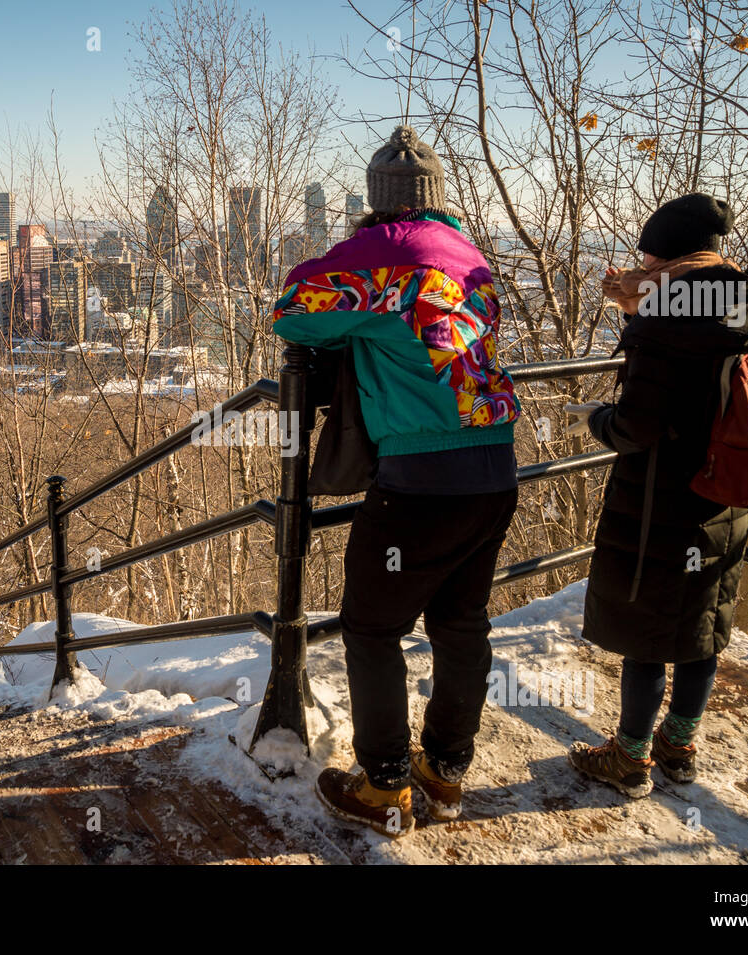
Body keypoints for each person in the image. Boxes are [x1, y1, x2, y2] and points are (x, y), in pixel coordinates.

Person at [271, 125, 522, 837]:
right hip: (493, 468)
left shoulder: (383, 252)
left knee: (373, 626)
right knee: (460, 623)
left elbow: (292, 308)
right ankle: (444, 774)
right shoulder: (467, 252)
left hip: (420, 482)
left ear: (381, 201)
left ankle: (383, 788)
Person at [564, 193, 748, 798]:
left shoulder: (664, 321)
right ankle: (678, 748)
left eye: (650, 253)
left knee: (649, 632)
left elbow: (638, 425)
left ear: (669, 252)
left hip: (663, 500)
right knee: (702, 624)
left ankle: (629, 759)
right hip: (730, 494)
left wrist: (599, 420)